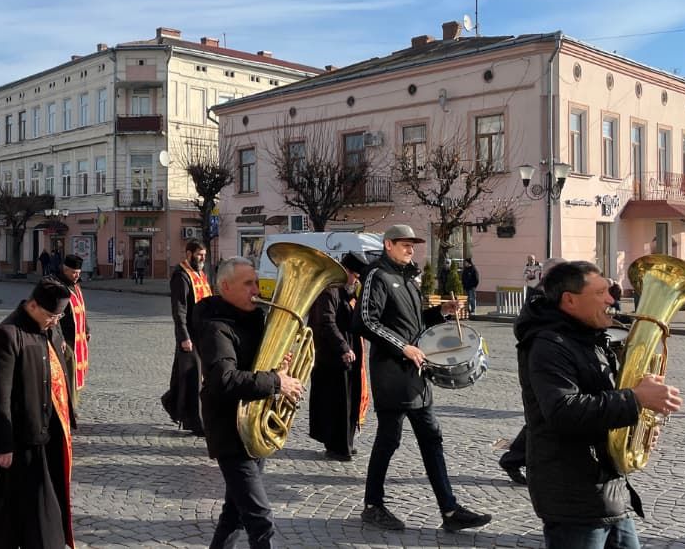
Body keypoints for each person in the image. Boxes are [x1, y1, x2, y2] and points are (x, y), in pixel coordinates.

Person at [517, 260, 681, 548]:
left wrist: (638, 425)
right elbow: (563, 411)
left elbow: (602, 399)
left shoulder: (589, 337)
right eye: (600, 293)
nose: (611, 299)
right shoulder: (548, 344)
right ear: (569, 300)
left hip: (606, 487)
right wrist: (636, 398)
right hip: (574, 495)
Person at [355, 224, 492, 532]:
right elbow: (364, 321)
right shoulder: (378, 275)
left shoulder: (406, 278)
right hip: (392, 374)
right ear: (388, 244)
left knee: (432, 439)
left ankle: (450, 510)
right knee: (389, 440)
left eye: (413, 245)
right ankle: (372, 505)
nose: (411, 249)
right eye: (405, 244)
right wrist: (402, 346)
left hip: (417, 375)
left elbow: (415, 323)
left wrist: (442, 311)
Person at [195, 256, 304, 548]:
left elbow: (258, 367)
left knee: (234, 514)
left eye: (256, 281)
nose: (256, 289)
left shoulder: (254, 318)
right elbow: (225, 380)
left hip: (253, 425)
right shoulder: (216, 328)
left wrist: (280, 368)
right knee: (260, 518)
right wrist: (277, 382)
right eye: (248, 284)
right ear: (226, 286)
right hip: (229, 431)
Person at [0, 280, 77, 548]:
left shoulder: (51, 328)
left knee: (33, 500)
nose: (53, 322)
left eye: (58, 317)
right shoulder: (8, 335)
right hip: (23, 436)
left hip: (52, 431)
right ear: (32, 305)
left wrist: (70, 416)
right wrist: (3, 444)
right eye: (50, 316)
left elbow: (62, 372)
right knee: (25, 504)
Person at [499, 256, 566, 485]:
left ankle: (516, 459)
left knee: (541, 419)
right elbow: (525, 330)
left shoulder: (551, 294)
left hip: (548, 364)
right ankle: (516, 460)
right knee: (540, 420)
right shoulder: (540, 298)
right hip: (535, 365)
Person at [308, 252, 370, 461]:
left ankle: (346, 442)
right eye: (354, 275)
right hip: (332, 356)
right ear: (345, 271)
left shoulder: (350, 291)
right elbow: (326, 322)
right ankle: (336, 446)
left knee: (349, 399)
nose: (356, 279)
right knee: (335, 402)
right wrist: (343, 347)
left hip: (351, 352)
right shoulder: (329, 290)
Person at [161, 240, 211, 436]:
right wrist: (183, 336)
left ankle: (172, 403)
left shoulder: (201, 274)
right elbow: (179, 309)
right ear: (188, 253)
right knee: (193, 377)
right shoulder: (181, 276)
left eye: (204, 256)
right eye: (199, 255)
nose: (202, 259)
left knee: (182, 374)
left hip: (203, 334)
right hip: (189, 335)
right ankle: (195, 422)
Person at [49, 254, 90, 399]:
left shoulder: (76, 285)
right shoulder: (57, 286)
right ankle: (68, 406)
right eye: (73, 272)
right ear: (65, 269)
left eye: (78, 273)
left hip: (78, 337)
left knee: (76, 370)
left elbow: (81, 308)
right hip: (65, 338)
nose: (76, 276)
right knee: (68, 371)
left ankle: (72, 403)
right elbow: (55, 316)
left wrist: (86, 329)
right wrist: (59, 339)